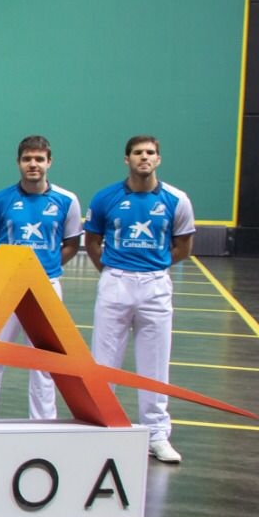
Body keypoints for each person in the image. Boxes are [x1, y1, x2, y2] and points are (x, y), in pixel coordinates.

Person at [85, 135, 195, 464]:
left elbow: (183, 247)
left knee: (155, 363)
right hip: (115, 283)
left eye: (150, 153)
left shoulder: (177, 200)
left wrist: (153, 267)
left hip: (155, 286)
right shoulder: (105, 197)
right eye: (137, 153)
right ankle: (100, 427)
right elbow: (92, 241)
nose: (143, 157)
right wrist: (112, 271)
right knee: (103, 361)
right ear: (127, 159)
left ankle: (157, 434)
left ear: (158, 159)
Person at [0, 136, 83, 421]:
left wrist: (43, 271)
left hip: (47, 287)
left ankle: (43, 422)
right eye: (27, 159)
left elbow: (70, 244)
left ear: (49, 162)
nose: (33, 164)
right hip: (7, 287)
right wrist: (4, 271)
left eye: (39, 159)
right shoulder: (0, 199)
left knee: (45, 361)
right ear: (18, 162)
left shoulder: (67, 201)